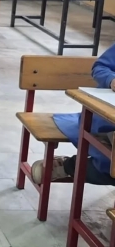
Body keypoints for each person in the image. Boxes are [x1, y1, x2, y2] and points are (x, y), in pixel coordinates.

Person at [31, 44, 115, 185]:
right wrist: (111, 80)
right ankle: (70, 166)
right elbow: (100, 67)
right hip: (105, 120)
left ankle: (69, 166)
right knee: (109, 166)